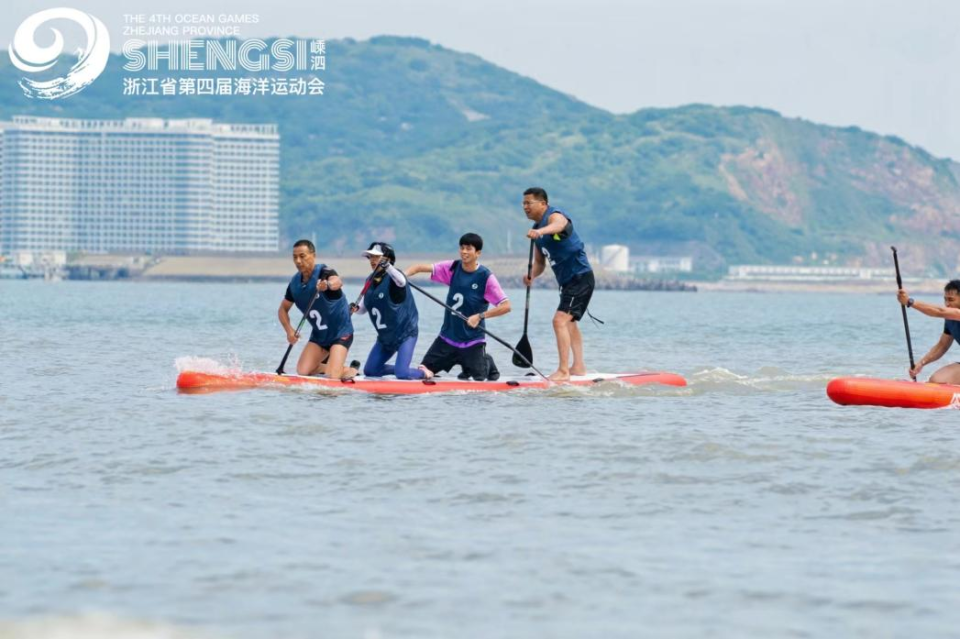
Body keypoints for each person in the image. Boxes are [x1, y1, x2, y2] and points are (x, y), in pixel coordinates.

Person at [405, 233, 511, 380]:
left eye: (468, 248)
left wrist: (480, 316)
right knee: (424, 372)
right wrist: (403, 276)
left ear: (478, 253)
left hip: (472, 340)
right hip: (447, 338)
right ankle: (465, 367)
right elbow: (418, 267)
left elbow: (506, 306)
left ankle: (487, 361)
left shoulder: (485, 277)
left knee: (479, 378)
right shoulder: (453, 268)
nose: (464, 252)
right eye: (462, 248)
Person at [521, 187, 595, 381]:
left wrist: (541, 231)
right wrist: (531, 275)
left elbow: (559, 225)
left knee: (559, 321)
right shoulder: (538, 232)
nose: (525, 207)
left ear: (543, 203)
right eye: (523, 203)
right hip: (568, 282)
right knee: (569, 323)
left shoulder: (554, 215)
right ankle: (578, 367)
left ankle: (563, 371)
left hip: (580, 276)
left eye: (529, 203)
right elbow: (539, 264)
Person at [278, 239, 357, 379]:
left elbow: (337, 282)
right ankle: (344, 369)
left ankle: (343, 371)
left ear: (313, 255)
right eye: (295, 257)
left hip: (341, 334)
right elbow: (283, 309)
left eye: (302, 256)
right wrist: (289, 330)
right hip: (319, 337)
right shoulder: (294, 284)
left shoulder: (325, 272)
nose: (298, 261)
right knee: (303, 371)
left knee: (332, 377)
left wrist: (326, 284)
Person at [351, 242, 425, 379]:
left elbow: (402, 281)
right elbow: (362, 309)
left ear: (388, 259)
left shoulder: (395, 277)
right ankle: (399, 369)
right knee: (370, 371)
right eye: (370, 257)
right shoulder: (370, 280)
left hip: (405, 335)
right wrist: (354, 309)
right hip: (385, 339)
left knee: (402, 374)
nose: (372, 261)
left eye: (376, 257)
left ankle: (424, 374)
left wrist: (388, 267)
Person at [897, 280, 960, 384]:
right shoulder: (950, 319)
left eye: (951, 300)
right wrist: (922, 363)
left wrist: (909, 302)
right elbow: (942, 346)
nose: (947, 304)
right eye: (945, 300)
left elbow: (939, 311)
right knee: (936, 380)